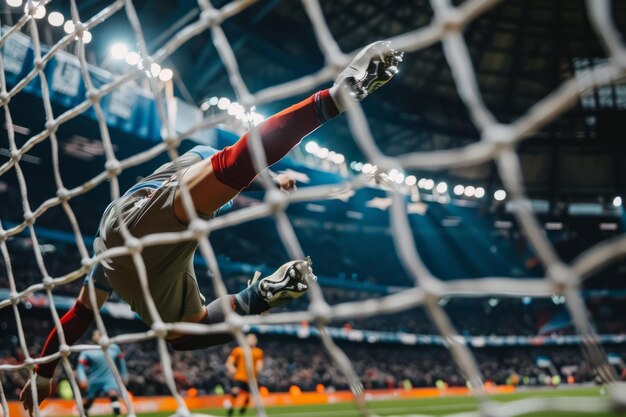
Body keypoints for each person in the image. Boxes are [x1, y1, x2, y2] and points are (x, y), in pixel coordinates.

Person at [20, 40, 402, 416]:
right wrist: (269, 181)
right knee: (232, 168)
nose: (224, 200)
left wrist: (43, 373)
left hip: (142, 264)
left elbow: (81, 315)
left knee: (185, 336)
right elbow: (234, 161)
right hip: (136, 228)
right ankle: (336, 97)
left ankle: (260, 296)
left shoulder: (112, 261)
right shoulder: (193, 163)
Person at [76, 330, 128, 417]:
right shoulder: (87, 351)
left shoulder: (114, 348)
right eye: (94, 335)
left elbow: (121, 362)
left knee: (113, 394)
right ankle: (84, 412)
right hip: (94, 378)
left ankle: (117, 414)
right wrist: (82, 379)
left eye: (96, 335)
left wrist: (124, 375)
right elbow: (80, 367)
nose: (94, 336)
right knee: (89, 399)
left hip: (109, 378)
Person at [224, 334, 263, 416]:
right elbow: (229, 361)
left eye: (253, 339)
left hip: (252, 378)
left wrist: (259, 370)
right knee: (235, 391)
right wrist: (231, 368)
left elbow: (260, 364)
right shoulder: (238, 350)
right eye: (250, 339)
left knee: (249, 396)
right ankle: (231, 408)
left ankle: (243, 408)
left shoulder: (258, 352)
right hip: (240, 376)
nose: (252, 341)